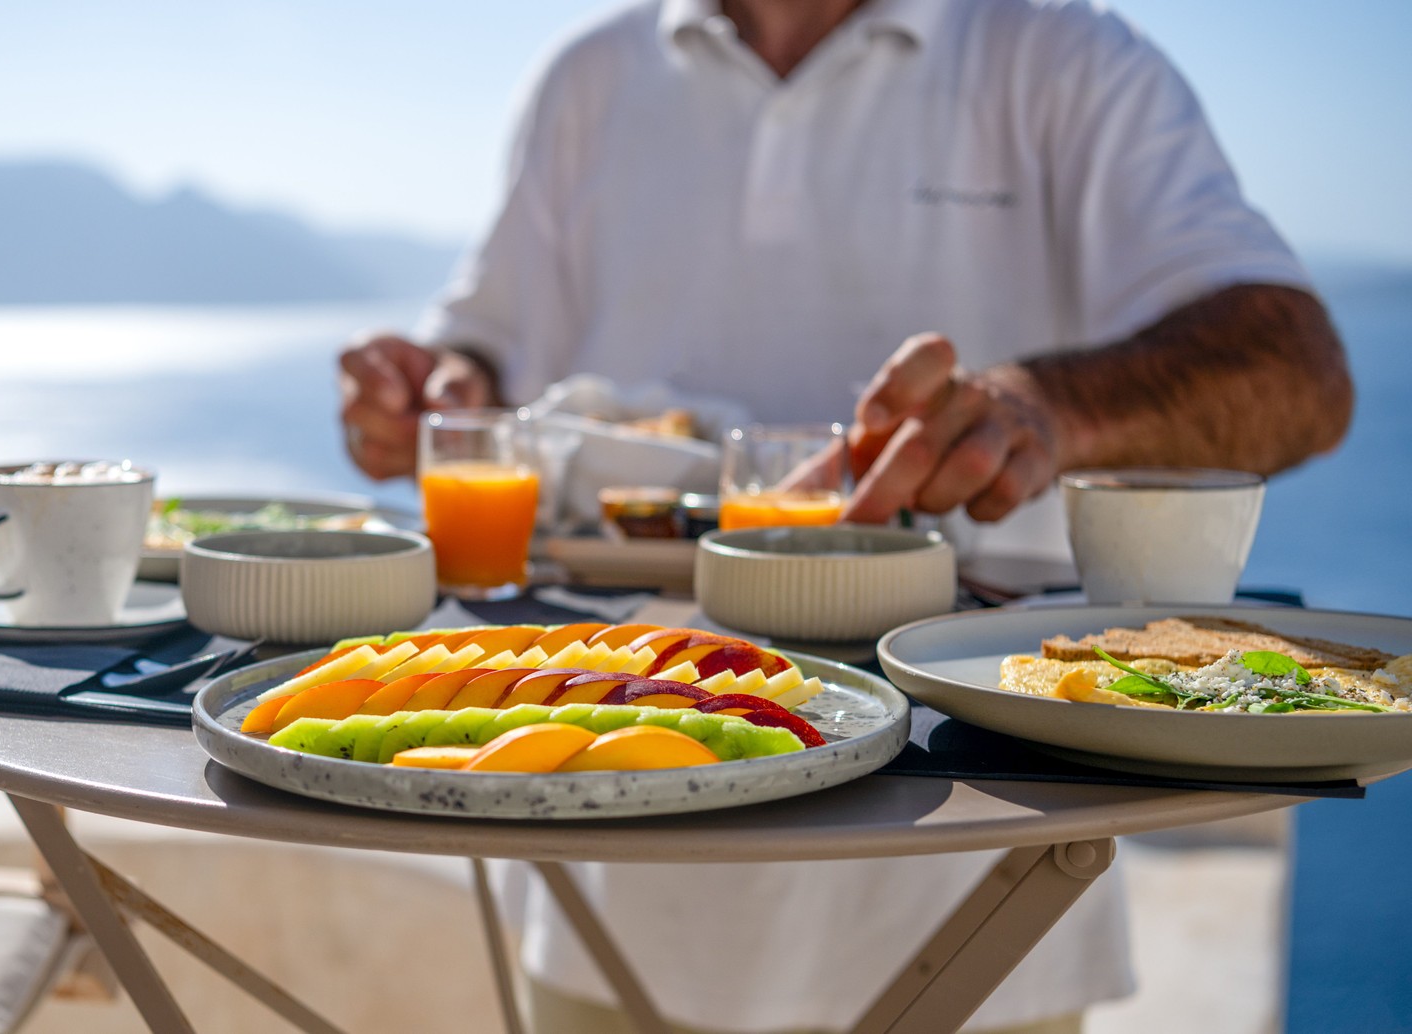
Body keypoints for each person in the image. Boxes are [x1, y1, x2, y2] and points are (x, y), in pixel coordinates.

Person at [337, 0, 1352, 1031]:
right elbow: (487, 358)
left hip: (979, 888)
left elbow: (1300, 372)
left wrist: (1049, 405)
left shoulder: (1061, 54)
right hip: (602, 881)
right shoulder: (590, 74)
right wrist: (434, 392)